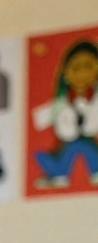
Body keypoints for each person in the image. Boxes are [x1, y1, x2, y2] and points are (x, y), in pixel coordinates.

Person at [31, 39, 98, 189]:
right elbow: (39, 120)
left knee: (85, 148)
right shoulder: (60, 103)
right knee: (50, 154)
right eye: (76, 68)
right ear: (65, 73)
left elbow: (90, 127)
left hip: (90, 143)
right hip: (69, 142)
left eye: (89, 66)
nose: (82, 73)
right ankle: (59, 173)